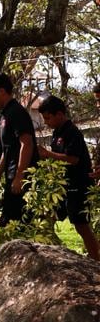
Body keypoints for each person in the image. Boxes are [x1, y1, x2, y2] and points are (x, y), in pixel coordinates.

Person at [36, 95, 99, 261]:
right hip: (61, 185)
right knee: (45, 217)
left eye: (48, 118)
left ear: (60, 114)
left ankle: (96, 261)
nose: (46, 122)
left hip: (78, 185)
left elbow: (73, 158)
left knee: (81, 225)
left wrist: (48, 154)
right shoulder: (57, 132)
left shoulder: (72, 132)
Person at [0, 72, 37, 228]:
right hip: (10, 176)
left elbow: (27, 144)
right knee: (7, 223)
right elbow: (7, 149)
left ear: (2, 91)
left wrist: (20, 176)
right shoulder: (5, 114)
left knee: (19, 226)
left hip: (22, 179)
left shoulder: (16, 112)